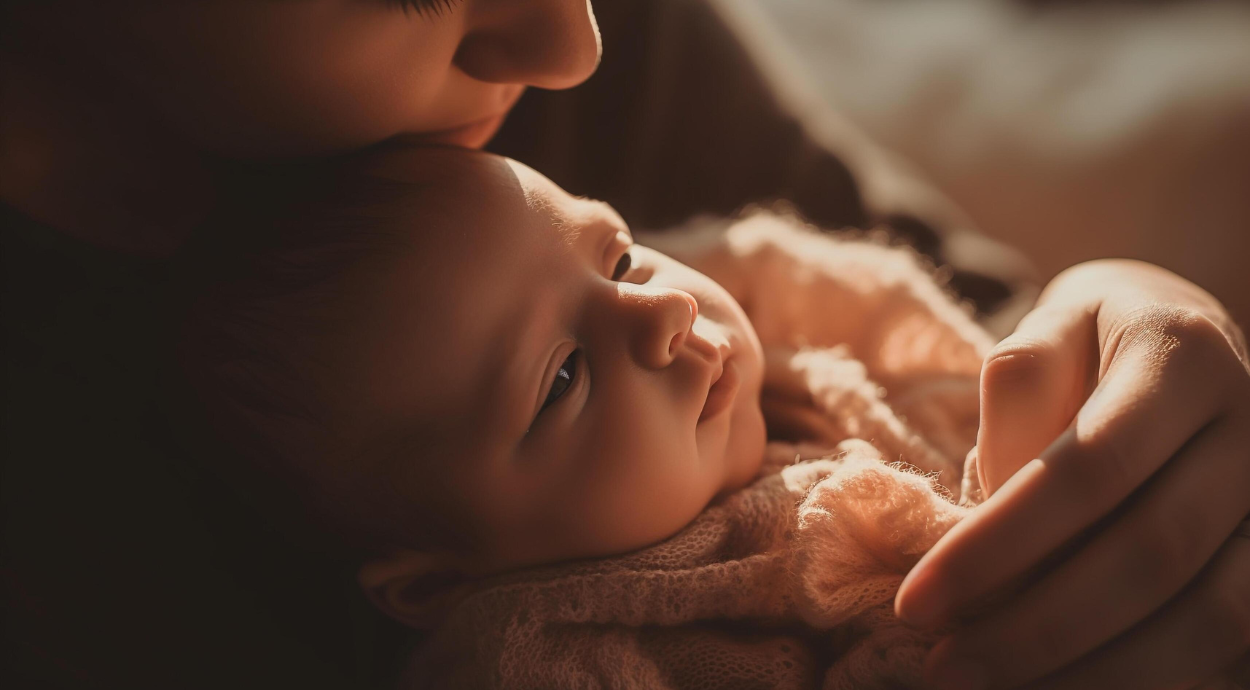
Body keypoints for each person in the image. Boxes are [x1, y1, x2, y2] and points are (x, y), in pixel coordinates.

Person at [2, 0, 1246, 687]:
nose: (575, 45)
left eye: (621, 257)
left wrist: (1128, 319)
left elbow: (960, 313)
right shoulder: (564, 652)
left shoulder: (753, 299)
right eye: (559, 382)